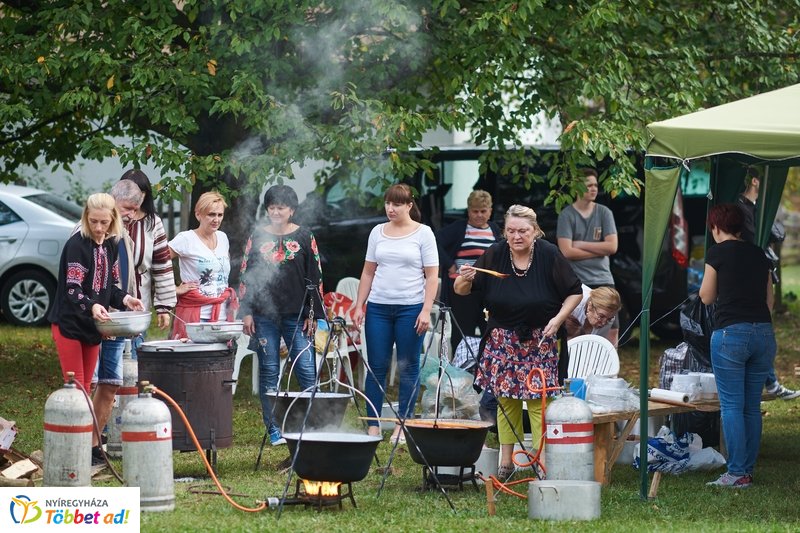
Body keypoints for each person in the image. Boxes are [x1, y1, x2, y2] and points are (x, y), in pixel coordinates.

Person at [455, 204, 582, 480]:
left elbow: (575, 292)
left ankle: (541, 459)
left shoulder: (548, 254)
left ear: (535, 231)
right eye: (511, 231)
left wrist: (559, 319)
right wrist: (464, 278)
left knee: (539, 403)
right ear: (505, 232)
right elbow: (461, 289)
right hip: (503, 341)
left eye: (523, 231)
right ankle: (505, 460)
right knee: (505, 401)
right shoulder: (496, 254)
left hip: (539, 339)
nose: (516, 236)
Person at [352, 184, 439, 441]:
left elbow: (432, 276)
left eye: (397, 204)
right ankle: (373, 425)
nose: (391, 208)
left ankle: (403, 424)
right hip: (378, 307)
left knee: (408, 366)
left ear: (409, 206)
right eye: (388, 203)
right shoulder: (377, 232)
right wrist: (359, 305)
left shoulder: (424, 234)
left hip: (411, 308)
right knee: (376, 365)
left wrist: (425, 310)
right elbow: (368, 271)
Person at [239, 185, 324, 446]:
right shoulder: (257, 237)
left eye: (281, 207)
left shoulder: (304, 236)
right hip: (265, 315)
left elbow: (316, 276)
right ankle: (274, 429)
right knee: (269, 372)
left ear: (292, 210)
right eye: (272, 207)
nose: (276, 212)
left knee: (307, 370)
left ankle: (315, 426)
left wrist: (314, 313)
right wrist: (246, 312)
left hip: (297, 314)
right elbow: (246, 275)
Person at [700, 203, 776, 488]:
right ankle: (747, 469)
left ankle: (736, 472)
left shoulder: (717, 252)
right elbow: (769, 300)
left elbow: (707, 297)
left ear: (715, 227)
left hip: (731, 334)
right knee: (751, 407)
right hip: (764, 335)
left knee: (731, 405)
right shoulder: (759, 254)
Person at [48, 192, 144, 405]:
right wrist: (93, 306)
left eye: (104, 222)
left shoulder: (112, 245)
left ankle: (84, 437)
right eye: (93, 221)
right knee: (77, 388)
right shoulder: (77, 245)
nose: (99, 227)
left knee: (88, 387)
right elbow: (72, 289)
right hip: (69, 324)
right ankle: (72, 436)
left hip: (92, 326)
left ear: (113, 219)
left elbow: (109, 287)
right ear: (86, 217)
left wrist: (127, 299)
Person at [735, 167, 798, 400]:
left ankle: (769, 381)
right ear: (754, 181)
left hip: (761, 272)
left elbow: (777, 233)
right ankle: (769, 382)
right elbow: (755, 238)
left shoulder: (757, 208)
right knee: (759, 330)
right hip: (750, 276)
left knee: (762, 328)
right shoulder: (742, 209)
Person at [436, 190, 502, 354]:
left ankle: (486, 367)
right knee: (462, 332)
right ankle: (461, 370)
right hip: (462, 289)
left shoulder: (494, 229)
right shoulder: (460, 227)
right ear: (469, 210)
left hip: (487, 289)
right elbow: (434, 240)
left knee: (490, 329)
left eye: (483, 211)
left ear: (490, 211)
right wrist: (449, 264)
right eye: (475, 211)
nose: (479, 215)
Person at [169, 191, 237, 339]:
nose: (216, 219)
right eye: (211, 214)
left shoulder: (223, 237)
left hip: (222, 315)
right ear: (198, 214)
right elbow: (157, 261)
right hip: (195, 315)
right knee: (194, 360)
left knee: (219, 360)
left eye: (220, 215)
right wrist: (173, 288)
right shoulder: (186, 239)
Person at [556, 168, 618, 288]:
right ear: (578, 188)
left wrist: (580, 244)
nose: (594, 189)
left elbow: (612, 247)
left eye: (595, 185)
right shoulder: (566, 215)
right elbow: (567, 252)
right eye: (589, 185)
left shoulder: (604, 212)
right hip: (576, 281)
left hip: (604, 280)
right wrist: (601, 252)